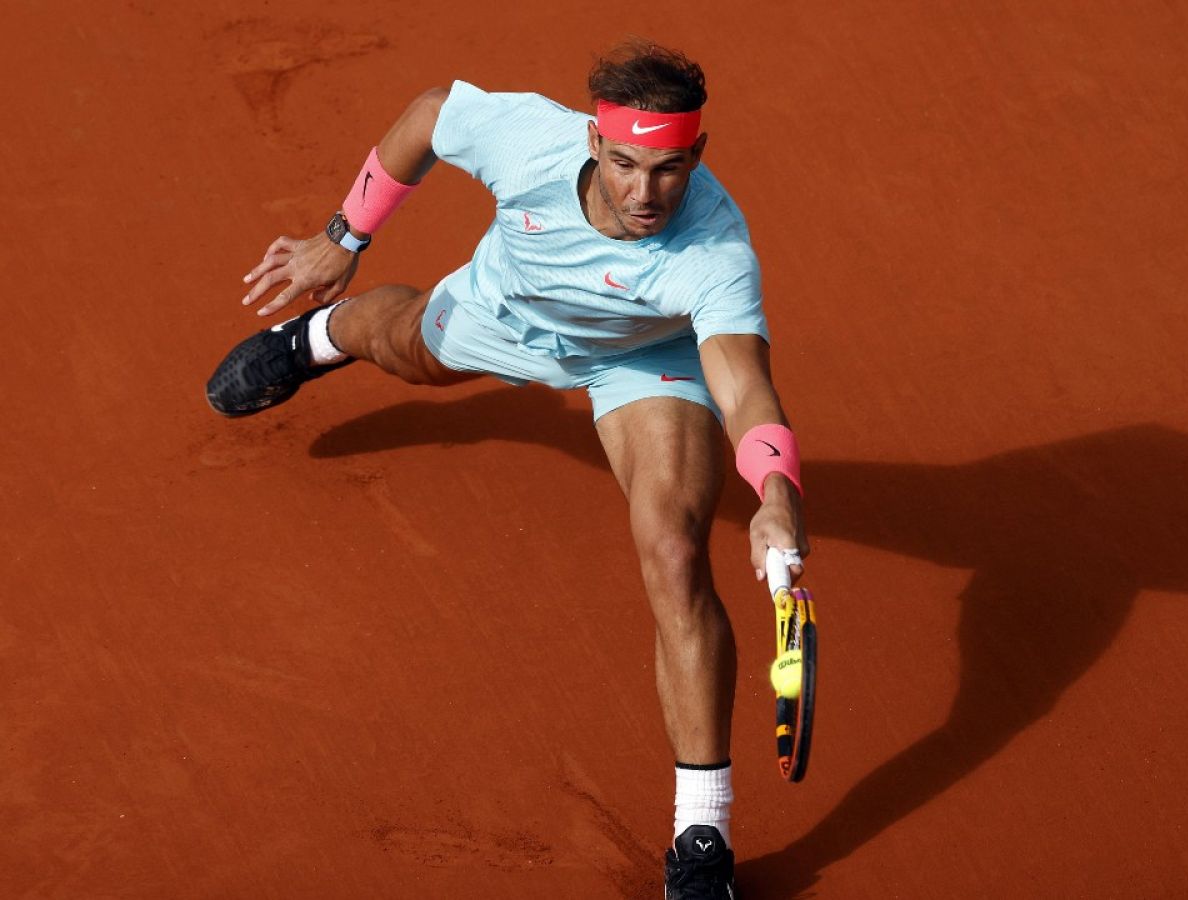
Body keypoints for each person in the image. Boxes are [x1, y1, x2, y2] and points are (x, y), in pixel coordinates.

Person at [206, 41, 807, 899]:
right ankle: (318, 339)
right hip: (505, 308)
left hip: (645, 361)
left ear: (697, 158)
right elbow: (428, 112)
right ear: (595, 145)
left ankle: (701, 832)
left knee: (675, 550)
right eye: (628, 165)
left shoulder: (715, 255)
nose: (646, 195)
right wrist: (344, 237)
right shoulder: (528, 139)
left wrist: (776, 495)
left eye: (670, 171)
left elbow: (745, 387)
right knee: (401, 346)